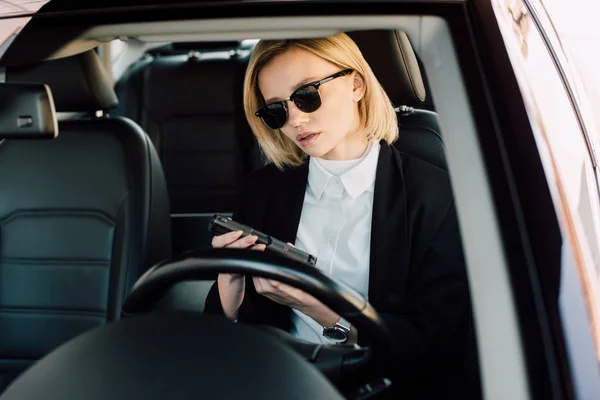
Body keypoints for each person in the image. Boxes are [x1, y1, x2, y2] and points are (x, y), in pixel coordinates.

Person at [205, 32, 472, 396]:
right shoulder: (262, 192)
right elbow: (225, 340)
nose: (295, 120)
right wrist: (228, 295)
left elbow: (435, 347)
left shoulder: (437, 195)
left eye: (307, 96)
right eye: (276, 110)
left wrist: (320, 310)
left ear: (356, 84)